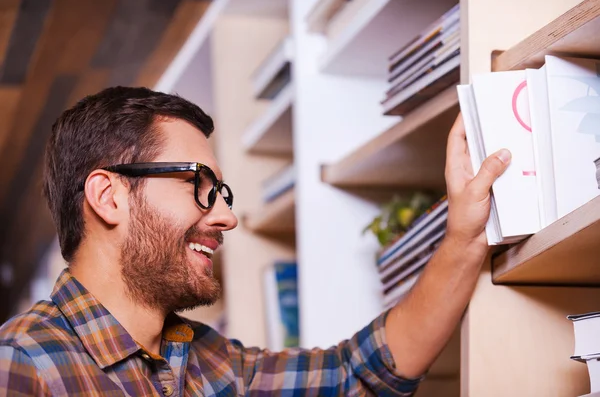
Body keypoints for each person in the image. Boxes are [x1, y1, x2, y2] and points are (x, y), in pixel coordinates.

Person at [0, 86, 510, 396]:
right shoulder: (19, 366)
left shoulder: (205, 362)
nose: (226, 216)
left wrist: (465, 235)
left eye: (220, 192)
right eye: (198, 185)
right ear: (109, 197)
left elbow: (358, 376)